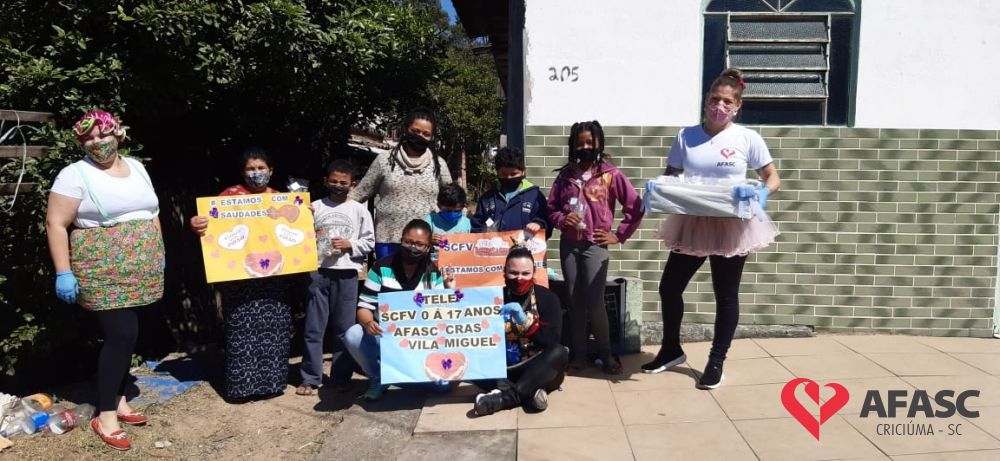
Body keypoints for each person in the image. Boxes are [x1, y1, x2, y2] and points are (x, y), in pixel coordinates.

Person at [642, 68, 781, 390]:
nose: (720, 106)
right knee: (669, 287)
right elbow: (672, 175)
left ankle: (716, 361)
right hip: (692, 222)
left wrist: (762, 193)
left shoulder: (747, 138)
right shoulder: (686, 136)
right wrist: (659, 188)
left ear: (737, 106)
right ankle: (670, 349)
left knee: (726, 295)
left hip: (732, 225)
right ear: (706, 100)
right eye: (715, 99)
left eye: (728, 102)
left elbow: (773, 177)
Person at [45, 110, 164, 451]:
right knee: (121, 333)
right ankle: (106, 416)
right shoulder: (74, 174)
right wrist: (63, 271)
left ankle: (119, 399)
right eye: (88, 137)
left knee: (130, 335)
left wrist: (161, 253)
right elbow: (55, 223)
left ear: (119, 134)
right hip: (101, 268)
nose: (97, 142)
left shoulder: (137, 167)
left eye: (103, 134)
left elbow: (152, 213)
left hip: (141, 269)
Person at [189, 148, 293, 401]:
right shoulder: (228, 197)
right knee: (241, 330)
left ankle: (272, 383)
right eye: (251, 169)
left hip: (273, 278)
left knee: (274, 329)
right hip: (239, 279)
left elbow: (294, 228)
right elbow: (211, 225)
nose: (256, 173)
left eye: (261, 168)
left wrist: (302, 213)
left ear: (271, 170)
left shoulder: (281, 199)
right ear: (242, 172)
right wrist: (197, 224)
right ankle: (241, 387)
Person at [546, 120, 643, 375]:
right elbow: (551, 208)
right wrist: (561, 219)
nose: (585, 147)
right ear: (573, 146)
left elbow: (635, 207)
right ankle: (579, 355)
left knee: (595, 302)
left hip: (595, 246)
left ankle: (606, 354)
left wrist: (618, 235)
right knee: (575, 302)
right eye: (580, 144)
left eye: (590, 142)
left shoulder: (611, 174)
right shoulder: (565, 177)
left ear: (599, 143)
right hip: (569, 245)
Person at [343, 219, 452, 401]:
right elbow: (364, 307)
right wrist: (368, 323)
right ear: (401, 241)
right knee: (354, 334)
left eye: (419, 244)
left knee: (442, 386)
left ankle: (400, 374)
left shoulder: (433, 273)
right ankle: (379, 376)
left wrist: (449, 290)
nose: (412, 247)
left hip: (421, 340)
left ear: (427, 248)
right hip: (385, 336)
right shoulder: (381, 268)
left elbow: (443, 313)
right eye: (408, 242)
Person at [297, 160, 375, 396]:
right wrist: (300, 217)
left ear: (353, 184)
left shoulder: (359, 210)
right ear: (325, 181)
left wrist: (350, 244)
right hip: (318, 271)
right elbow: (298, 236)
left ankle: (341, 377)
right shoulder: (314, 207)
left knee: (344, 328)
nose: (338, 185)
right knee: (314, 327)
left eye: (343, 182)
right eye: (334, 181)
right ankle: (310, 378)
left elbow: (369, 242)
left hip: (347, 274)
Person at [473, 247, 567, 416]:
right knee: (469, 359)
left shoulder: (548, 298)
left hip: (537, 367)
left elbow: (552, 341)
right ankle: (530, 393)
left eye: (525, 273)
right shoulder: (495, 297)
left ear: (534, 273)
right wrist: (453, 294)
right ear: (504, 272)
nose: (519, 278)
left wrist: (526, 323)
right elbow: (474, 332)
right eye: (513, 273)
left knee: (560, 352)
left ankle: (506, 398)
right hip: (504, 370)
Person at [349, 108, 453, 259]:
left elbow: (452, 198)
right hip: (388, 240)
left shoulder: (439, 164)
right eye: (415, 131)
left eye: (426, 134)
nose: (420, 136)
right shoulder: (384, 160)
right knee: (388, 275)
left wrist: (463, 227)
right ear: (405, 130)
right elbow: (360, 192)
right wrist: (327, 207)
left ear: (432, 137)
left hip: (425, 243)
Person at [470, 147, 551, 238]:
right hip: (494, 245)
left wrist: (539, 224)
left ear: (523, 171)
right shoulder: (487, 198)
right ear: (497, 172)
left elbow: (547, 221)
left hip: (526, 245)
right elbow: (476, 226)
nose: (509, 178)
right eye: (504, 174)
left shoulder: (535, 196)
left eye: (514, 174)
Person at [425, 182, 471, 261]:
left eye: (456, 211)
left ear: (463, 207)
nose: (452, 214)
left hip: (460, 264)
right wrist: (428, 240)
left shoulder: (468, 224)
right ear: (439, 206)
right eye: (448, 211)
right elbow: (420, 243)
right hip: (435, 265)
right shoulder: (430, 221)